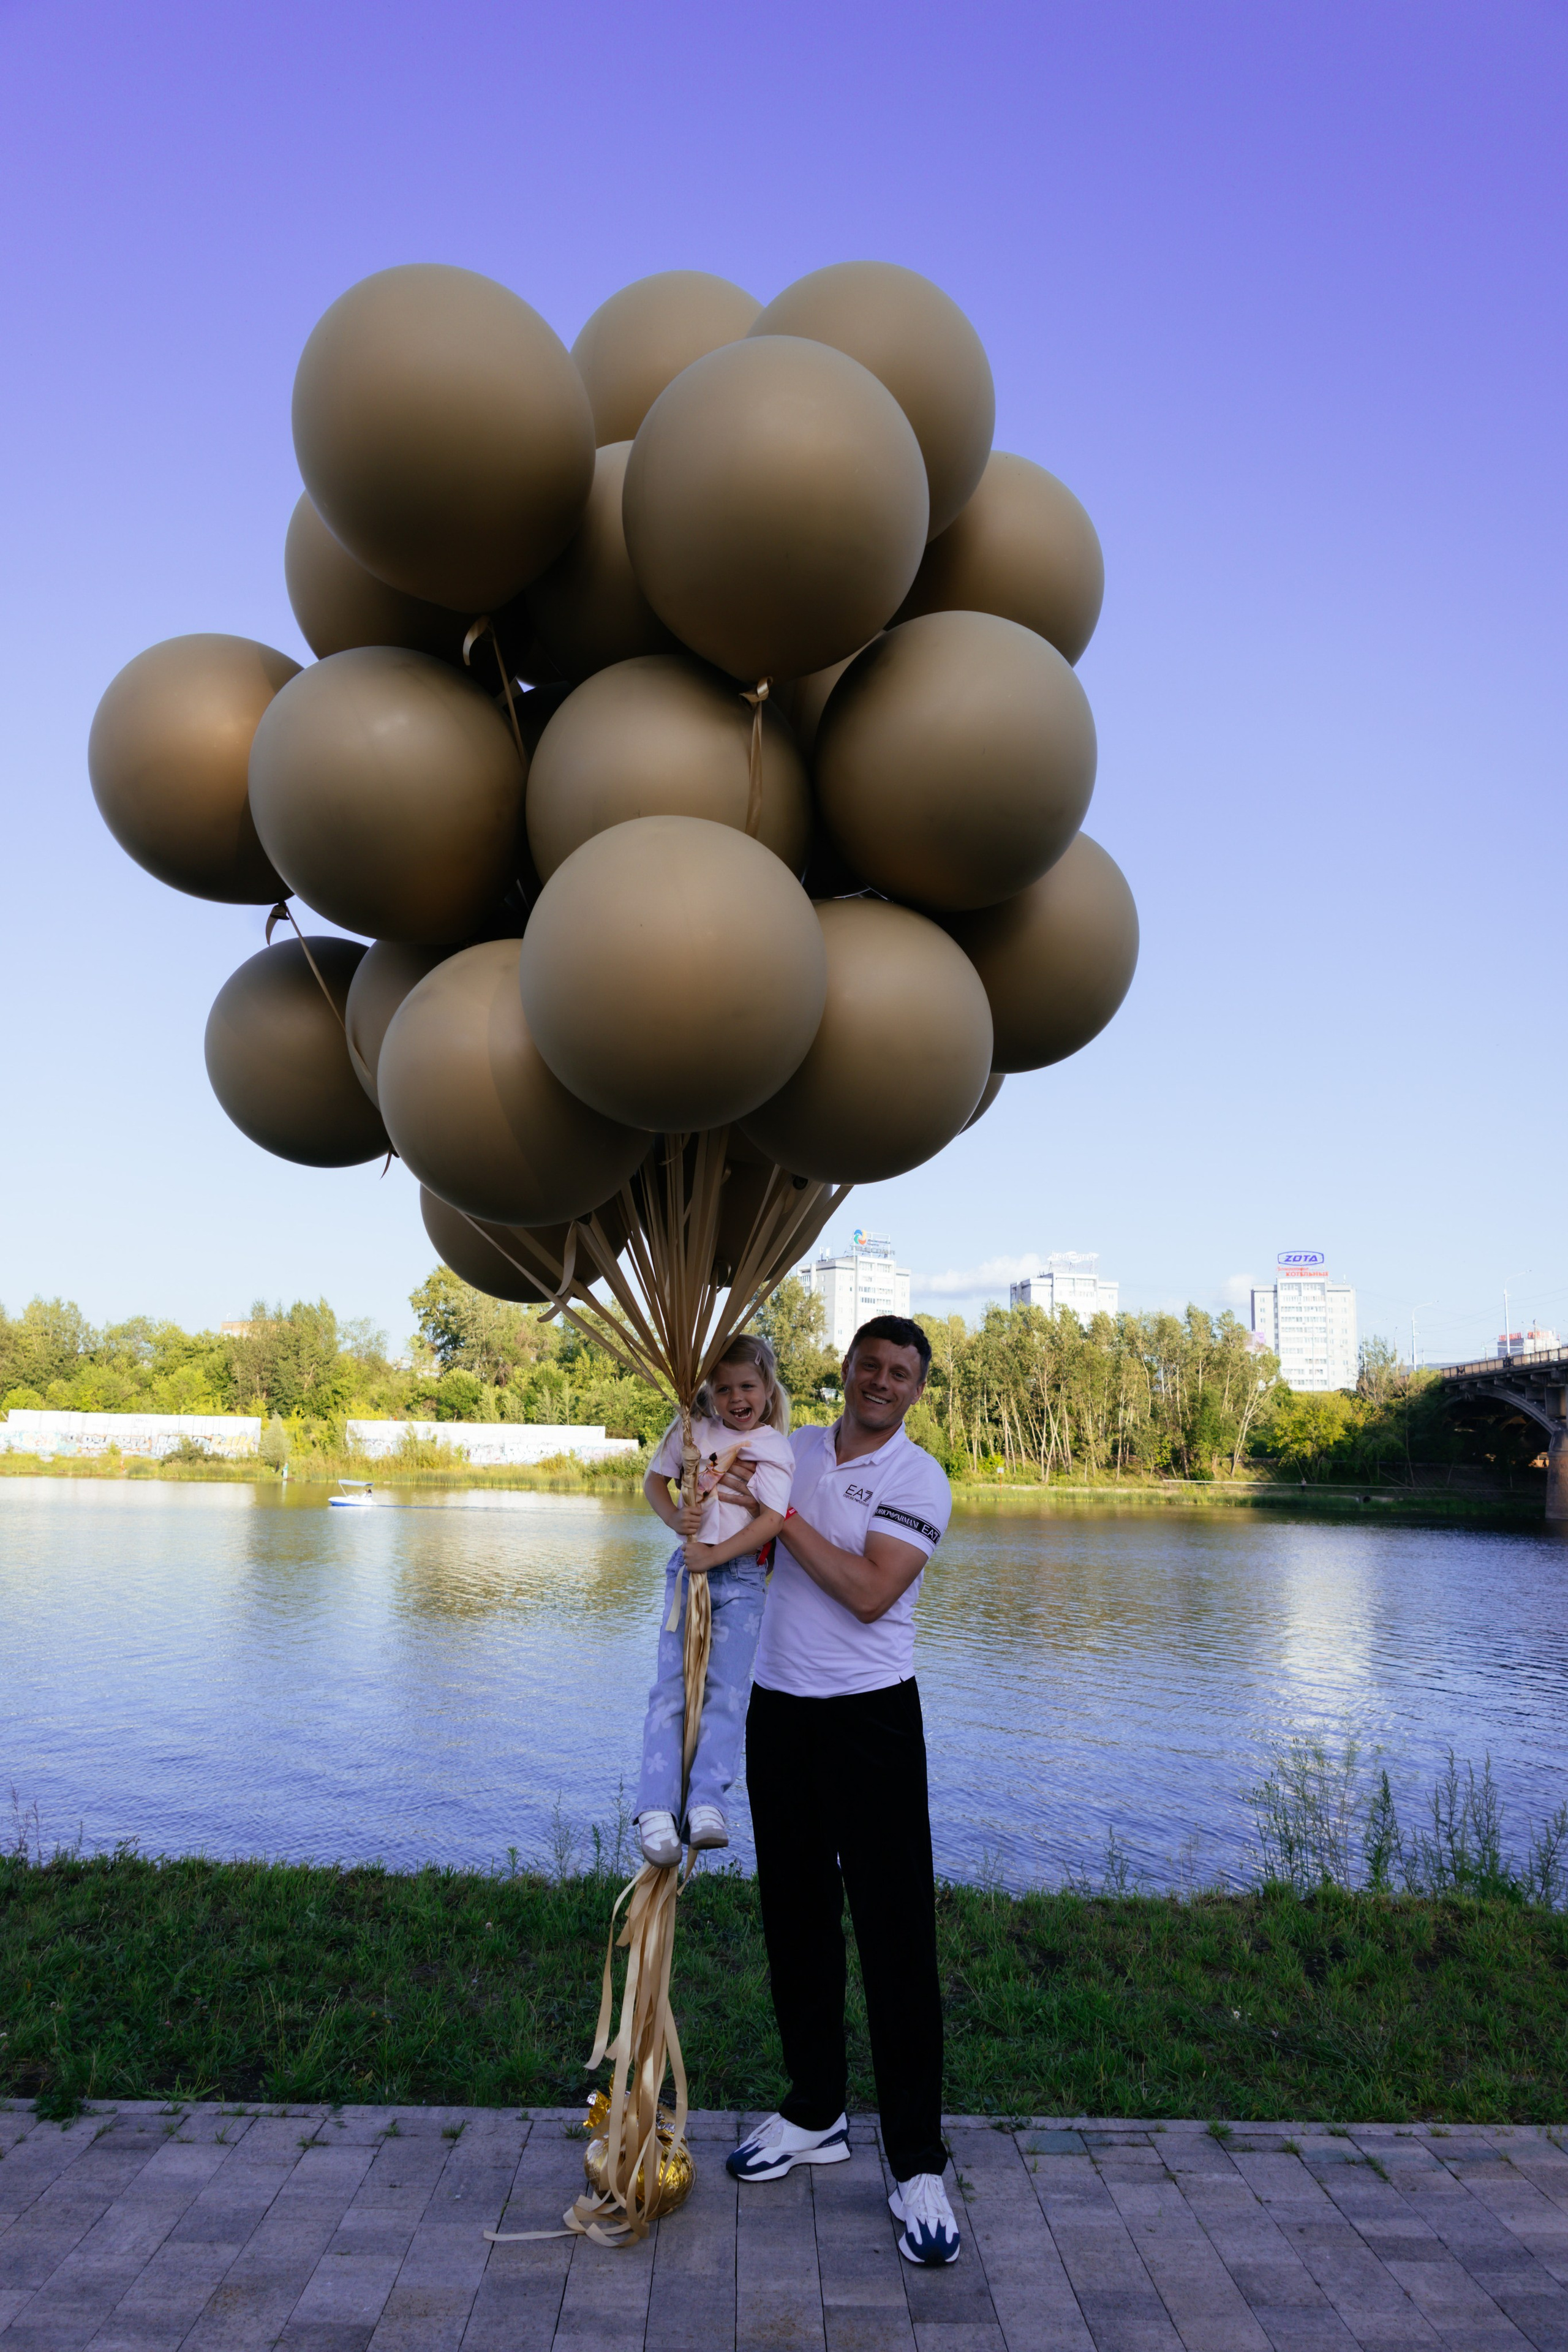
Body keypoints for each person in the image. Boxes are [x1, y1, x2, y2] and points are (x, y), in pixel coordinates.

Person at [723, 1316, 962, 2267]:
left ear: (915, 1388)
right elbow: (727, 1512)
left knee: (896, 1933)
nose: (881, 1381)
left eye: (900, 1373)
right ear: (848, 1369)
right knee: (796, 1919)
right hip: (777, 1714)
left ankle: (917, 2162)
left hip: (870, 1722)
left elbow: (869, 1591)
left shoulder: (919, 1478)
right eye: (870, 1365)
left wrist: (779, 1522)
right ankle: (816, 2111)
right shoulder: (797, 1448)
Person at [635, 1333, 793, 1868]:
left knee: (726, 1694)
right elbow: (655, 1483)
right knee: (671, 1689)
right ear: (709, 1391)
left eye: (747, 1385)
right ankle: (656, 1807)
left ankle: (708, 1804)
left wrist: (718, 1553)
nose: (736, 1397)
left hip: (742, 1580)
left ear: (768, 1388)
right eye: (723, 1388)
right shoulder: (692, 1430)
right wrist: (678, 1522)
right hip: (688, 1573)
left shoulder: (774, 1447)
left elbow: (771, 1520)